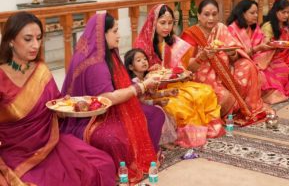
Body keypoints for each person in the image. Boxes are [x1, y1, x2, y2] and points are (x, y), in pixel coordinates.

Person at [0, 11, 115, 186]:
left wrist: (64, 106)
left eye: (39, 38)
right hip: (18, 151)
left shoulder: (41, 70)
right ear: (10, 41)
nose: (35, 45)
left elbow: (54, 103)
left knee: (102, 163)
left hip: (50, 141)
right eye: (28, 39)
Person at [61, 13, 164, 183]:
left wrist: (143, 86)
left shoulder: (108, 55)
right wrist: (141, 86)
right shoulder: (95, 63)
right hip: (93, 116)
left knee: (155, 115)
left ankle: (145, 155)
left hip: (116, 106)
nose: (119, 35)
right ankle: (125, 165)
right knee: (115, 137)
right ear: (103, 34)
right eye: (115, 31)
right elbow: (106, 98)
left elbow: (120, 85)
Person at [134, 4, 225, 148]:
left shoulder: (173, 42)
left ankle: (203, 130)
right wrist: (148, 71)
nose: (167, 27)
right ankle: (183, 135)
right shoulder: (142, 45)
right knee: (178, 104)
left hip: (175, 83)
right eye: (163, 23)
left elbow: (180, 67)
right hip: (152, 91)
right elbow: (135, 74)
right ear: (153, 22)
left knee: (205, 92)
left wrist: (184, 71)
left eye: (170, 23)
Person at [182, 0, 269, 126]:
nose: (211, 18)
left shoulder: (221, 28)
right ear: (198, 16)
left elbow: (234, 56)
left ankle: (249, 105)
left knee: (248, 65)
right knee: (227, 99)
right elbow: (186, 67)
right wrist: (202, 57)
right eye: (206, 14)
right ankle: (234, 106)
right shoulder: (190, 34)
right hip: (202, 79)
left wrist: (232, 53)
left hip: (226, 74)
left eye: (214, 14)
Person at [227, 0, 289, 104]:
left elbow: (261, 45)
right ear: (242, 13)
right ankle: (258, 96)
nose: (256, 15)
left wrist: (272, 47)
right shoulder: (232, 30)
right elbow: (234, 56)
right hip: (240, 64)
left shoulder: (254, 27)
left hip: (257, 60)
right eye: (252, 13)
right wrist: (258, 49)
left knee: (282, 68)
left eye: (256, 12)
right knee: (261, 74)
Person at [124, 48, 178, 146]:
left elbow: (151, 94)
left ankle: (162, 140)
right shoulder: (135, 82)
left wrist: (167, 92)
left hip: (146, 105)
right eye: (139, 60)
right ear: (131, 67)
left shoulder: (145, 78)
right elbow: (141, 102)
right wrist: (157, 102)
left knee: (164, 108)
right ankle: (159, 141)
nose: (144, 62)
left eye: (145, 59)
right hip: (137, 109)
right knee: (158, 109)